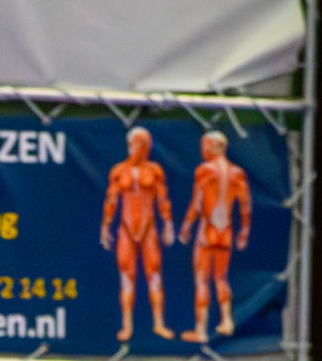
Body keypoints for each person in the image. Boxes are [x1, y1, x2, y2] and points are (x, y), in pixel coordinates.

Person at [100, 125, 176, 343]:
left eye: (144, 144)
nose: (141, 148)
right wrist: (105, 226)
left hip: (148, 228)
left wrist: (168, 224)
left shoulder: (154, 170)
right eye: (138, 143)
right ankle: (127, 325)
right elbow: (111, 200)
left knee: (154, 274)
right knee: (127, 276)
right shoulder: (119, 171)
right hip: (127, 228)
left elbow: (163, 199)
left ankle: (159, 323)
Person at [179, 130, 252, 343]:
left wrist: (186, 226)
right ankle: (227, 320)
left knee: (202, 279)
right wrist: (244, 231)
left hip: (207, 231)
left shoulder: (205, 170)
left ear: (212, 146)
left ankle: (201, 330)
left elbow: (197, 203)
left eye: (205, 145)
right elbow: (245, 205)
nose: (203, 149)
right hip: (225, 231)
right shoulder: (237, 173)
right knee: (221, 277)